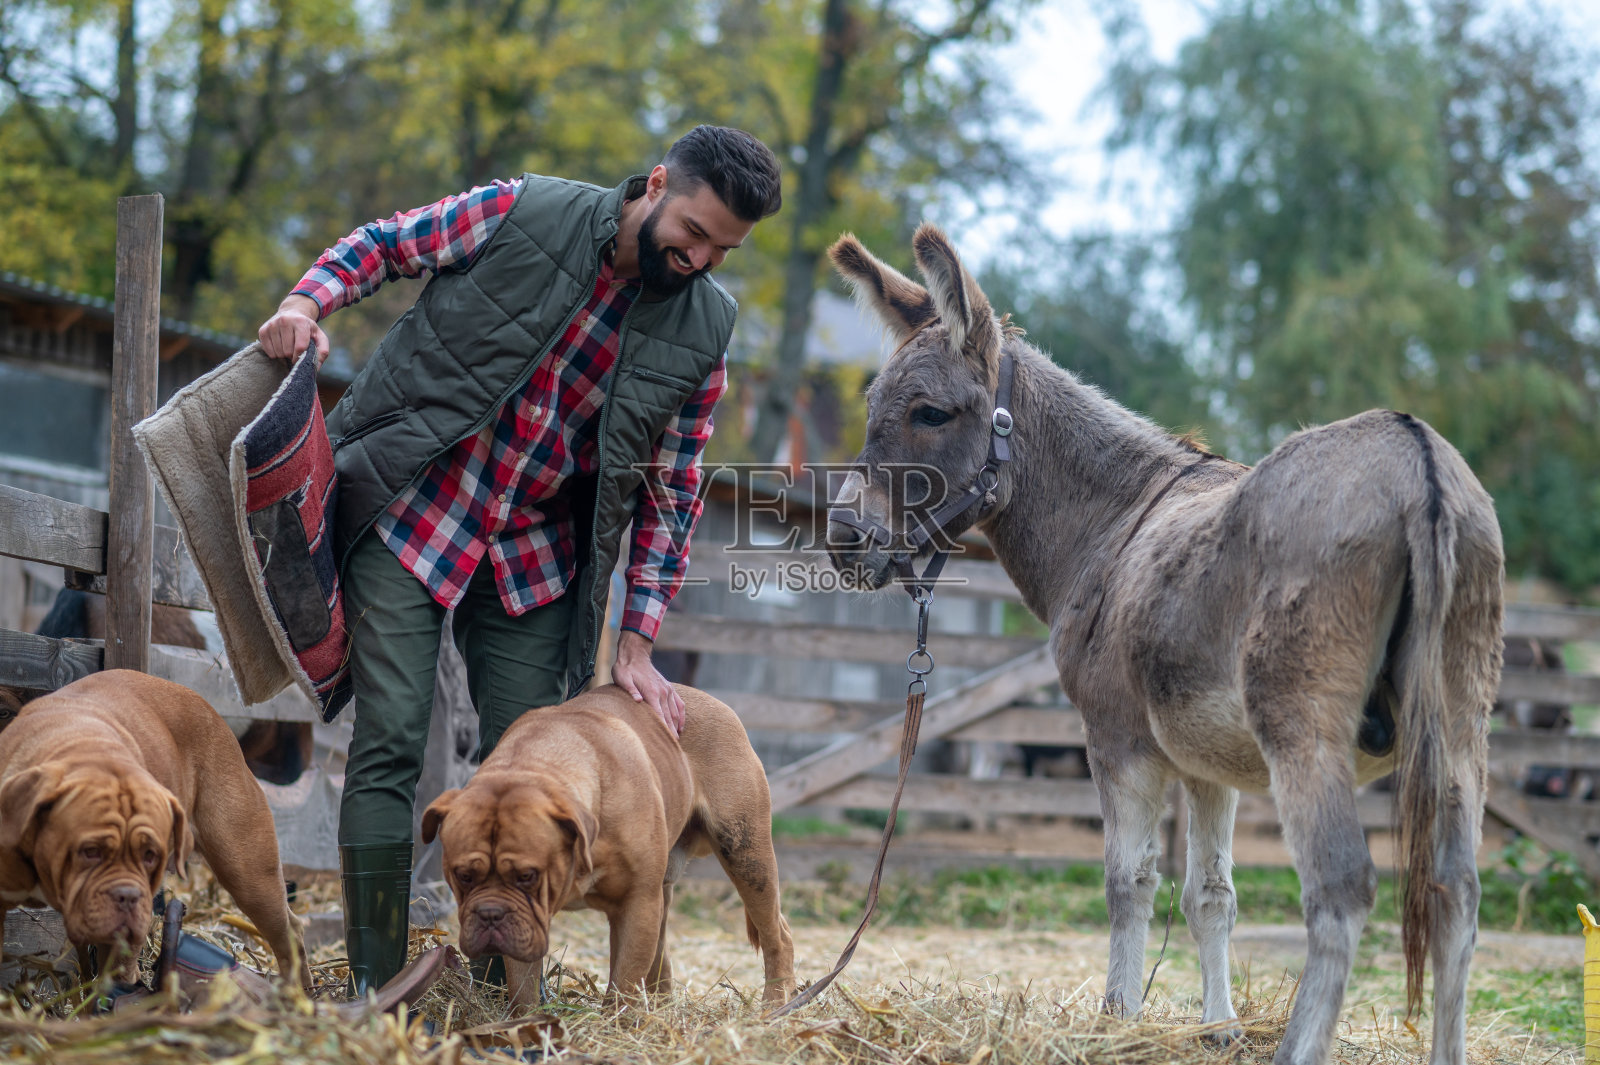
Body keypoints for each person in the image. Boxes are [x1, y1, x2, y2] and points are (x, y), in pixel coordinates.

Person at [256, 125, 783, 993]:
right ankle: (378, 989)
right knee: (388, 743)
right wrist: (308, 303)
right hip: (414, 507)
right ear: (655, 185)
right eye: (691, 234)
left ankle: (506, 997)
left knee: (533, 766)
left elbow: (673, 488)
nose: (698, 260)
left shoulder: (705, 331)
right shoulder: (520, 210)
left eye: (722, 250)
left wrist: (639, 638)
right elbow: (384, 244)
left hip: (538, 548)